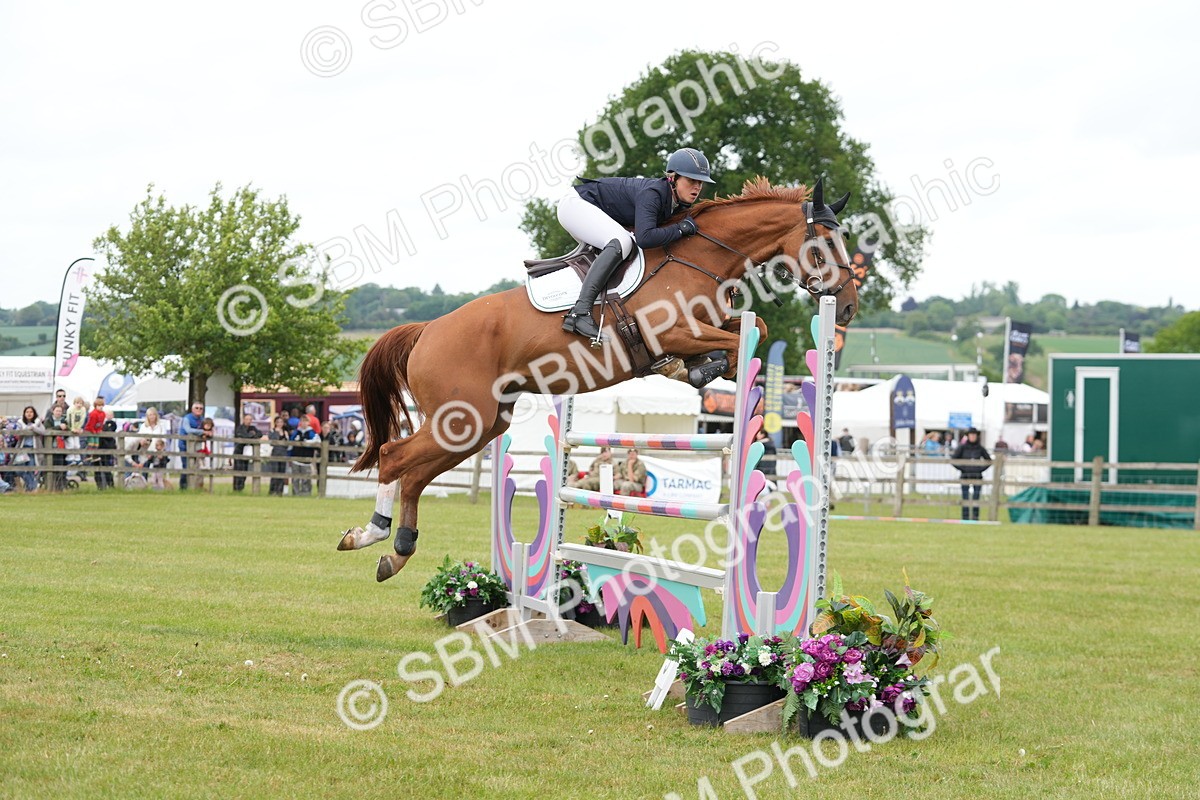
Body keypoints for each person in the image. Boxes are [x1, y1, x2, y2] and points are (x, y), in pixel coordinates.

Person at [557, 147, 715, 342]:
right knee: (622, 242)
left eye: (700, 182)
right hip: (575, 205)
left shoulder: (675, 202)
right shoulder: (654, 194)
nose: (697, 187)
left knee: (626, 248)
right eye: (691, 181)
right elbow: (645, 238)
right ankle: (579, 312)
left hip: (589, 209)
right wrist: (680, 229)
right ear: (673, 178)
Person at [951, 427, 992, 521]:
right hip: (965, 475)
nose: (973, 437)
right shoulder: (962, 447)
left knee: (976, 497)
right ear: (968, 436)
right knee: (965, 496)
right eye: (971, 435)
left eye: (974, 435)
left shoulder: (980, 448)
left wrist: (980, 469)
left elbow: (988, 461)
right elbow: (953, 459)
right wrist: (963, 468)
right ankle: (965, 517)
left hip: (977, 476)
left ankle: (975, 517)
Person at [13, 406, 44, 492]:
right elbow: (16, 434)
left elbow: (43, 431)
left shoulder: (38, 422)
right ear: (24, 413)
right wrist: (26, 430)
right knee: (19, 469)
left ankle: (30, 489)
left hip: (33, 449)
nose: (29, 414)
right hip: (22, 449)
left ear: (34, 413)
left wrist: (34, 428)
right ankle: (33, 486)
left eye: (31, 412)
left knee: (31, 469)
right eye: (27, 412)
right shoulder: (20, 422)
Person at [289, 415, 321, 496]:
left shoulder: (312, 432)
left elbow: (317, 442)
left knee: (306, 477)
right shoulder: (296, 432)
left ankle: (306, 492)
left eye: (305, 421)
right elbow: (290, 442)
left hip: (307, 458)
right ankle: (295, 493)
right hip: (296, 457)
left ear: (308, 423)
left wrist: (306, 442)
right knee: (295, 477)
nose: (304, 423)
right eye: (302, 421)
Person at [178, 401, 206, 489]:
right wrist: (202, 432)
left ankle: (195, 486)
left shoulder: (202, 419)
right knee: (186, 466)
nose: (199, 410)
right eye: (196, 408)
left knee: (197, 465)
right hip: (184, 444)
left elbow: (207, 428)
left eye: (201, 408)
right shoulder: (187, 418)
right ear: (192, 409)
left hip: (196, 446)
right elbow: (188, 430)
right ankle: (183, 487)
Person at [232, 412, 263, 492]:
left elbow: (260, 434)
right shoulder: (240, 428)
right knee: (238, 470)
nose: (248, 421)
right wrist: (251, 435)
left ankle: (241, 487)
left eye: (250, 419)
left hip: (247, 453)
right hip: (239, 452)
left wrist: (251, 435)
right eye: (247, 419)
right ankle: (236, 488)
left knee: (245, 470)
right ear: (244, 420)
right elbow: (243, 436)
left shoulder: (253, 428)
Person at [266, 416, 290, 495]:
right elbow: (272, 441)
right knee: (275, 472)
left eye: (281, 422)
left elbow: (287, 444)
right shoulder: (272, 431)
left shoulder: (285, 432)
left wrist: (284, 437)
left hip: (283, 453)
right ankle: (273, 490)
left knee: (282, 472)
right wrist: (277, 433)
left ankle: (280, 491)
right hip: (275, 453)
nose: (279, 424)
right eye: (278, 422)